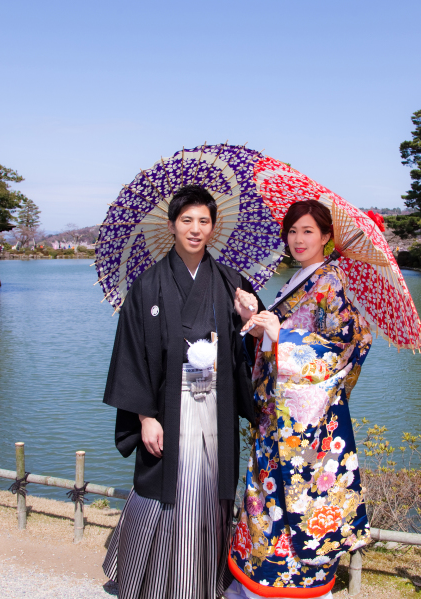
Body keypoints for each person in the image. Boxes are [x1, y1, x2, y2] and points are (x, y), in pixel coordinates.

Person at [102, 184, 261, 599]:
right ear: (172, 225)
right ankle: (146, 578)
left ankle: (203, 580)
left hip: (215, 407)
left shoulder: (231, 283)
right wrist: (145, 416)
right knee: (163, 491)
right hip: (167, 409)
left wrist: (251, 318)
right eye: (186, 220)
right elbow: (132, 353)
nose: (195, 229)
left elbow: (253, 350)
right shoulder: (147, 285)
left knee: (210, 491)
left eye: (203, 221)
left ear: (213, 228)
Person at [226, 200, 371, 599]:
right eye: (292, 231)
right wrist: (253, 321)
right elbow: (274, 341)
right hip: (279, 418)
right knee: (265, 499)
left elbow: (343, 348)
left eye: (308, 231)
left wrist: (282, 337)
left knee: (299, 504)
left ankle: (289, 590)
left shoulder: (330, 283)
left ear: (327, 236)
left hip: (308, 426)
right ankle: (254, 587)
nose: (298, 239)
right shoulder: (301, 280)